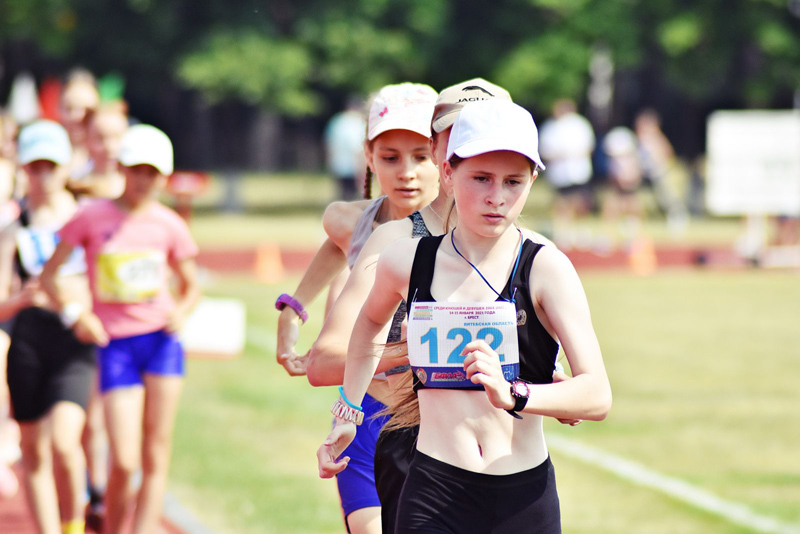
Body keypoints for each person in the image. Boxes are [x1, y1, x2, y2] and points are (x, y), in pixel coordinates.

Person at [318, 100, 611, 532]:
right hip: (434, 489)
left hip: (522, 495)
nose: (497, 197)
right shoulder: (406, 260)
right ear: (449, 173)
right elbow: (366, 328)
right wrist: (347, 411)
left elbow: (597, 395)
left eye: (514, 181)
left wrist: (517, 394)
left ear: (533, 179)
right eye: (481, 179)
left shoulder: (546, 267)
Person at [308, 77, 519, 533]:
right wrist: (432, 351)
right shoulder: (395, 241)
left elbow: (573, 387)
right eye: (461, 140)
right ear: (442, 151)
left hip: (501, 452)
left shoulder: (528, 250)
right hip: (399, 437)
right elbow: (324, 362)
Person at [277, 82, 439, 534]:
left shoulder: (465, 237)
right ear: (369, 156)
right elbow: (339, 244)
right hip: (367, 416)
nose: (406, 172)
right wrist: (293, 307)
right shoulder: (354, 221)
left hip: (437, 423)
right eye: (390, 157)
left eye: (421, 156)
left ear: (445, 155)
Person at [40, 124, 201, 534]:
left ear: (163, 176)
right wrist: (77, 314)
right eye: (137, 170)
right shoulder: (91, 217)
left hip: (161, 343)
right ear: (122, 169)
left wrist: (182, 311)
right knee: (124, 459)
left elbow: (192, 284)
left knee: (155, 454)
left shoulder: (169, 224)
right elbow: (50, 276)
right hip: (115, 346)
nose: (144, 181)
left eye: (153, 173)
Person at [2, 120, 93, 534]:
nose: (42, 176)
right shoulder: (12, 227)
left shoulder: (86, 218)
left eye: (50, 166)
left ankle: (74, 524)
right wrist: (26, 296)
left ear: (65, 168)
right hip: (29, 343)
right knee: (35, 453)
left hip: (74, 343)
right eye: (34, 167)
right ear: (23, 168)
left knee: (65, 444)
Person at [538, 98, 596, 248]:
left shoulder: (580, 124)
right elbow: (546, 151)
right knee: (562, 204)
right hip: (560, 173)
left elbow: (588, 146)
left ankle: (581, 234)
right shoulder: (550, 127)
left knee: (581, 203)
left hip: (578, 171)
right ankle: (563, 234)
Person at [59, 69, 100, 182]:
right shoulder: (44, 156)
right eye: (70, 109)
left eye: (85, 109)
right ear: (58, 109)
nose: (77, 116)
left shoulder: (113, 158)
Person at [324, 97, 367, 201]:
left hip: (338, 164)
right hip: (354, 165)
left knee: (342, 194)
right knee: (356, 196)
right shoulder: (357, 123)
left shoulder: (336, 121)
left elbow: (329, 144)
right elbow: (357, 148)